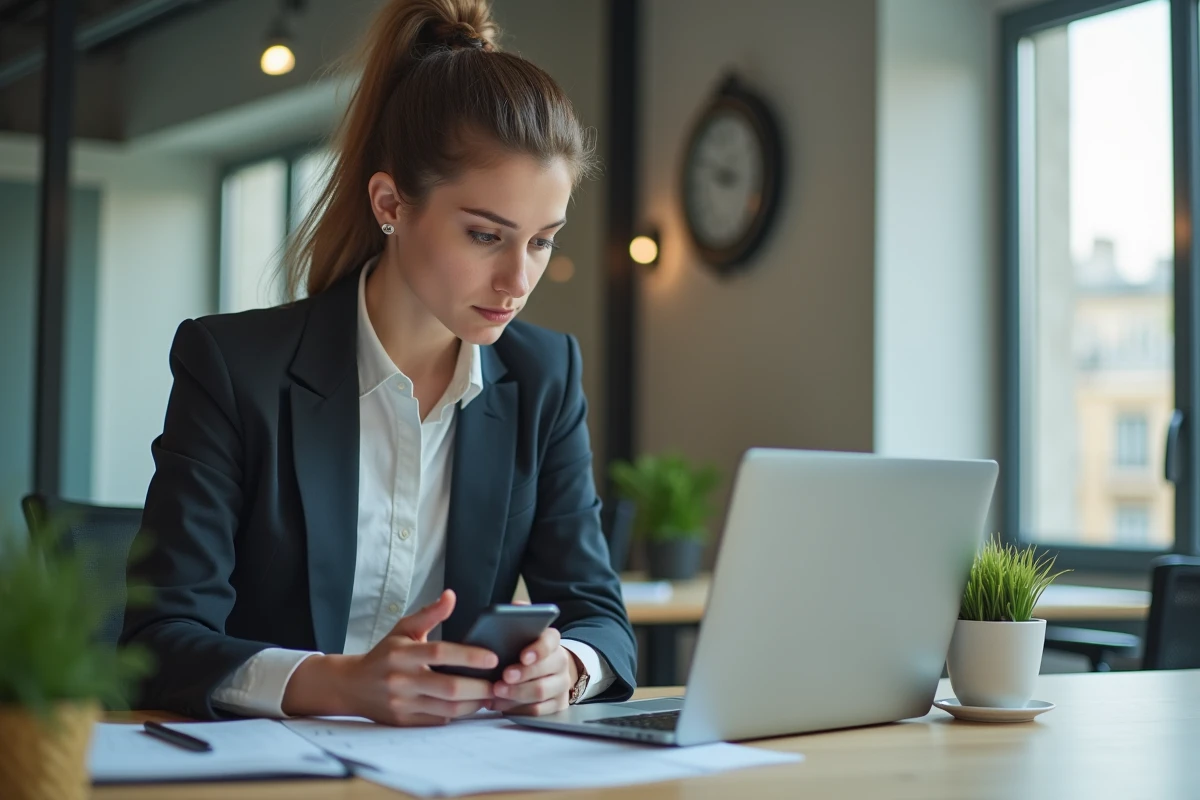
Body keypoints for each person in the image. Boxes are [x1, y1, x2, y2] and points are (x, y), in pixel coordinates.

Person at [120, 0, 636, 724]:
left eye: (543, 240)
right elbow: (158, 643)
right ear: (392, 202)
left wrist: (569, 670)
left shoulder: (545, 377)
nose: (519, 281)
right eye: (487, 236)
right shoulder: (235, 370)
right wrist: (338, 684)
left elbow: (601, 619)